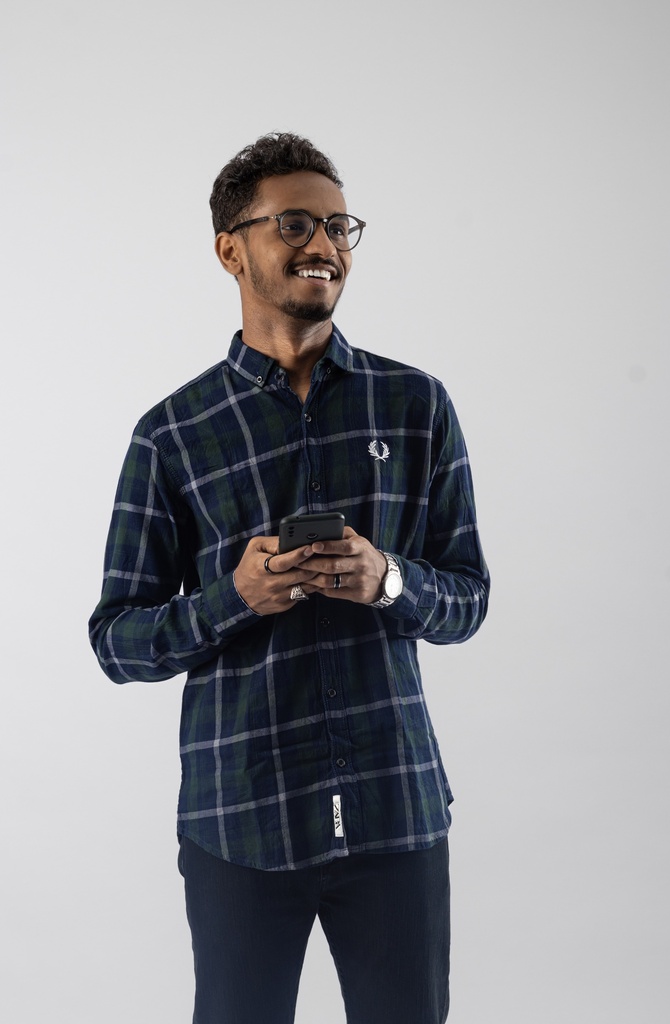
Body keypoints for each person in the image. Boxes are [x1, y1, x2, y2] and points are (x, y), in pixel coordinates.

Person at [89, 132, 490, 1024]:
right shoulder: (172, 434)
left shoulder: (415, 404)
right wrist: (233, 600)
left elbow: (469, 598)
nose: (327, 245)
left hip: (394, 813)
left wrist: (388, 580)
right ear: (231, 248)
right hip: (242, 823)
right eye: (297, 223)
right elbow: (115, 640)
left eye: (341, 225)